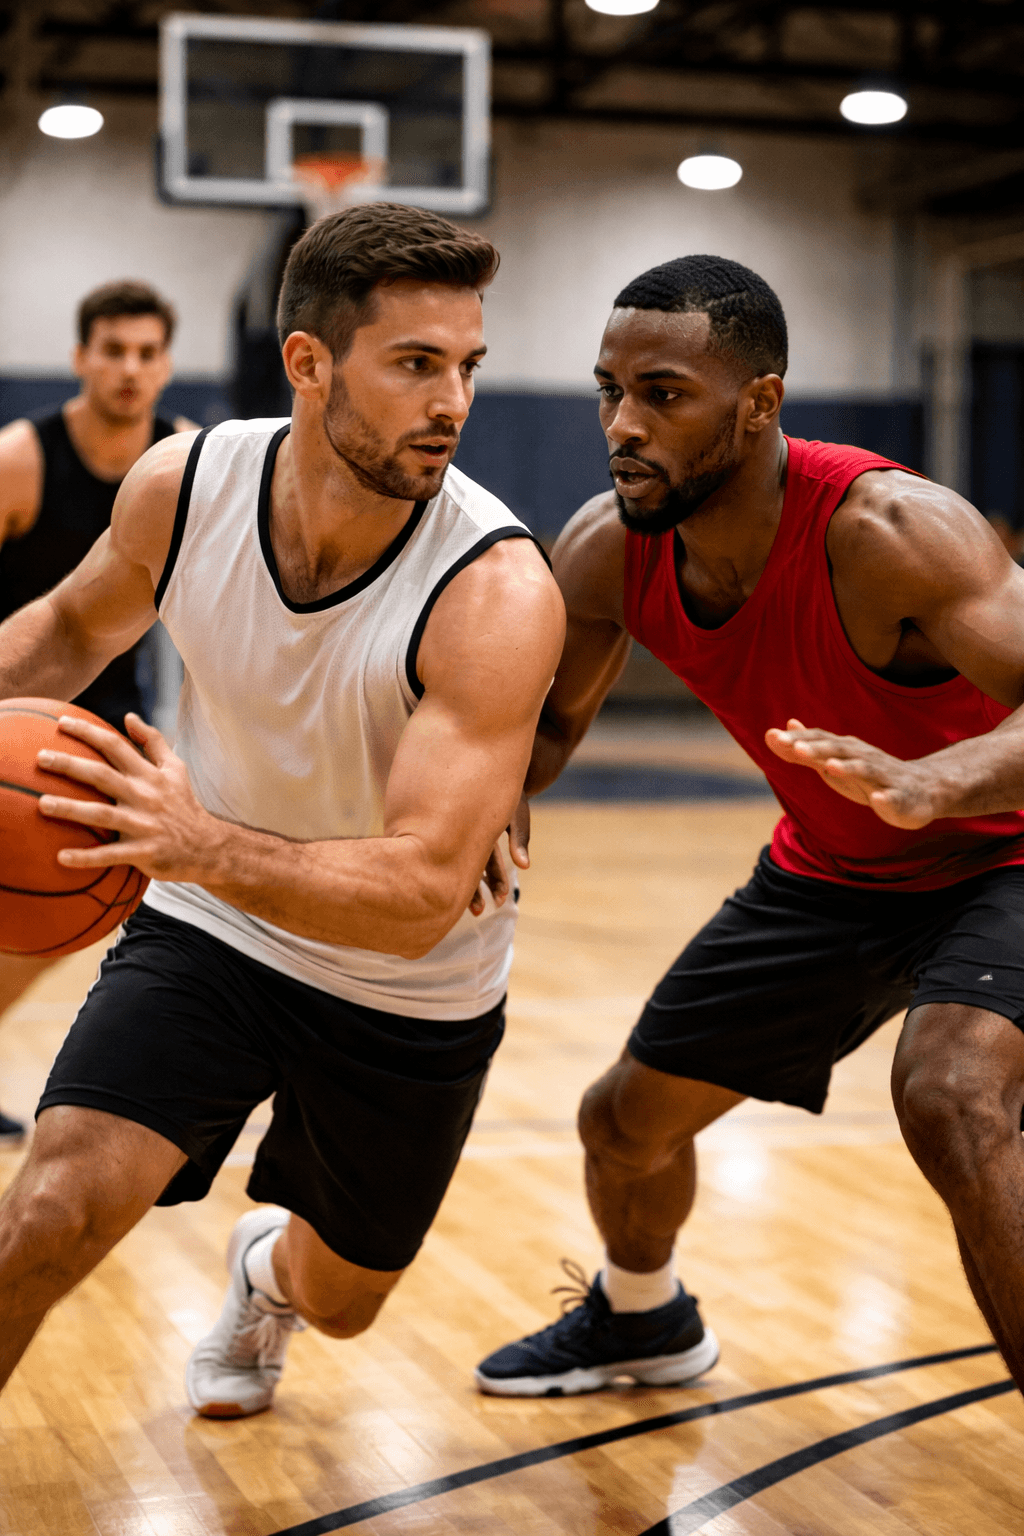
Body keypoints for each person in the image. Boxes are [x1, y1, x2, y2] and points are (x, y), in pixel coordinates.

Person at [0, 204, 564, 1417]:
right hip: (214, 931)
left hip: (406, 987)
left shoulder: (496, 588)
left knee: (346, 1295)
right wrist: (199, 864)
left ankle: (263, 1276)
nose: (452, 402)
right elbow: (66, 627)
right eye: (415, 364)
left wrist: (197, 841)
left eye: (468, 366)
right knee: (47, 1209)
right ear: (308, 362)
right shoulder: (186, 482)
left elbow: (418, 898)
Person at [475, 254, 1024, 1400]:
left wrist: (942, 780)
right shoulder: (609, 550)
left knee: (950, 1097)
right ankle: (641, 1323)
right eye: (607, 391)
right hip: (833, 874)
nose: (622, 425)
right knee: (623, 1125)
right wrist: (466, 800)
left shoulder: (891, 531)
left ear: (758, 403)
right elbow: (543, 734)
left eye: (662, 394)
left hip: (1001, 855)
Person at [0, 280, 193, 1142]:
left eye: (148, 352)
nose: (130, 368)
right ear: (81, 358)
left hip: (109, 734)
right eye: (113, 350)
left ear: (167, 365)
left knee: (51, 914)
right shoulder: (22, 459)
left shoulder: (187, 458)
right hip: (11, 709)